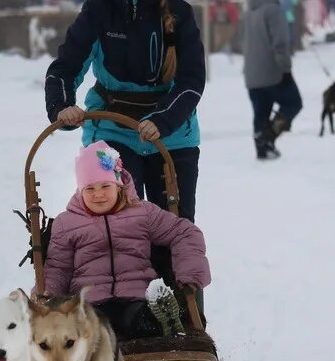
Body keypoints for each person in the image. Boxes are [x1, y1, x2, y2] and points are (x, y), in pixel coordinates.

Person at [45, 0, 205, 222]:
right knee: (116, 227)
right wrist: (62, 105)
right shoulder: (97, 13)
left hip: (171, 134)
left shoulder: (180, 13)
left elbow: (191, 80)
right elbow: (65, 67)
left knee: (173, 230)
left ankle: (176, 272)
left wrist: (163, 120)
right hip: (111, 130)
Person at [43, 141, 211, 340]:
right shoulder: (67, 223)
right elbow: (58, 268)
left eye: (105, 185)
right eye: (89, 189)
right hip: (90, 303)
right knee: (95, 332)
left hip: (137, 297)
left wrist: (188, 275)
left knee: (140, 322)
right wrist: (48, 299)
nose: (98, 194)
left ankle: (163, 320)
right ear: (80, 190)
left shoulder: (142, 212)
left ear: (118, 185)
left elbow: (184, 232)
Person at [243, 0, 301, 161]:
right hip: (272, 72)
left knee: (261, 112)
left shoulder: (251, 10)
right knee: (293, 103)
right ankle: (269, 136)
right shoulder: (273, 10)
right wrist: (286, 69)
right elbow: (280, 43)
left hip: (252, 74)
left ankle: (263, 147)